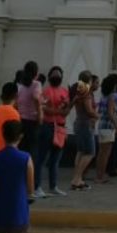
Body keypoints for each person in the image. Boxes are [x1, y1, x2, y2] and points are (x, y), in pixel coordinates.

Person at [35, 66, 69, 197]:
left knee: (56, 159)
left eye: (59, 75)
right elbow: (43, 108)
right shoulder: (45, 91)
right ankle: (37, 187)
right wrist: (60, 111)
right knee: (42, 158)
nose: (56, 77)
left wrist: (66, 107)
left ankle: (53, 186)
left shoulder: (64, 91)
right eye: (54, 74)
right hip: (47, 126)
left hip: (60, 127)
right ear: (49, 77)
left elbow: (66, 109)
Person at [70, 72, 97, 191]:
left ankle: (78, 178)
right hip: (86, 125)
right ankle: (76, 179)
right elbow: (89, 110)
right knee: (90, 152)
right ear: (89, 81)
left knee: (81, 151)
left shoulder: (78, 92)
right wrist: (97, 115)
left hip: (78, 123)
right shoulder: (87, 94)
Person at [95, 75, 117, 183]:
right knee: (105, 154)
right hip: (108, 126)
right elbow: (110, 114)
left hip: (102, 125)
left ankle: (99, 176)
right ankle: (100, 177)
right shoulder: (111, 97)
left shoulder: (104, 97)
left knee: (101, 153)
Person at [16, 61, 43, 157]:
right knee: (31, 152)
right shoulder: (36, 84)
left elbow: (17, 101)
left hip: (21, 120)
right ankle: (29, 171)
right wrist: (40, 115)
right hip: (32, 121)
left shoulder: (22, 86)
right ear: (36, 73)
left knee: (21, 148)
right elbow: (36, 98)